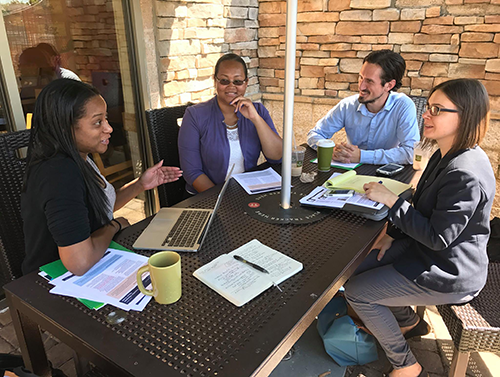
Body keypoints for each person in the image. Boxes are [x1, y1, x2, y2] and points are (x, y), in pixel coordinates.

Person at [344, 79, 496, 377]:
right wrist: (391, 234)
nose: (425, 115)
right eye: (428, 107)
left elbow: (439, 238)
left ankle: (405, 364)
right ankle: (407, 320)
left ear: (465, 116)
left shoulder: (464, 172)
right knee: (354, 267)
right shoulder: (446, 153)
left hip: (449, 271)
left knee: (356, 291)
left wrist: (390, 201)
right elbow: (423, 208)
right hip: (424, 250)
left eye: (437, 110)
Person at [21, 79, 182, 276]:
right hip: (51, 281)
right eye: (98, 122)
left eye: (105, 119)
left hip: (89, 265)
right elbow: (79, 262)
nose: (109, 128)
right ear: (65, 128)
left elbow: (96, 209)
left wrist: (140, 184)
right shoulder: (60, 174)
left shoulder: (79, 157)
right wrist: (113, 226)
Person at [178, 53, 282, 194]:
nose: (231, 86)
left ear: (246, 83)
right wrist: (222, 200)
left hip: (246, 192)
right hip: (208, 197)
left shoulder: (258, 111)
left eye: (238, 81)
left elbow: (277, 157)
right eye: (224, 81)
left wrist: (255, 119)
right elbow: (192, 172)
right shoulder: (195, 115)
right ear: (215, 81)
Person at [307, 49, 420, 165]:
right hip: (348, 173)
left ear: (389, 85)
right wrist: (331, 150)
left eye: (369, 81)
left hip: (386, 175)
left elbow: (411, 152)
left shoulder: (403, 106)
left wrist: (361, 156)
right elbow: (314, 134)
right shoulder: (347, 105)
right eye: (361, 77)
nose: (361, 86)